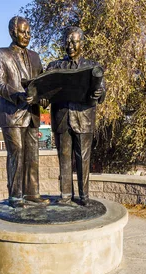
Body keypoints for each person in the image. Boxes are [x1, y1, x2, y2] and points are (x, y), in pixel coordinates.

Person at [0, 16, 49, 208]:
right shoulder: (1, 54)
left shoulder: (35, 57)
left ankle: (32, 193)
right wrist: (18, 96)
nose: (27, 36)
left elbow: (41, 84)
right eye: (23, 32)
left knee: (33, 155)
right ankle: (15, 196)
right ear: (12, 32)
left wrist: (45, 96)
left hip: (32, 114)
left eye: (29, 32)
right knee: (17, 153)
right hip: (12, 114)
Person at [46, 27, 105, 206]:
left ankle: (84, 196)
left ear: (82, 43)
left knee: (83, 158)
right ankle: (65, 196)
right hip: (62, 119)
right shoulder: (54, 67)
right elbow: (45, 92)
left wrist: (99, 92)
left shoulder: (93, 67)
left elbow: (102, 92)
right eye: (67, 41)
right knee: (64, 157)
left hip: (84, 119)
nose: (70, 45)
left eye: (75, 41)